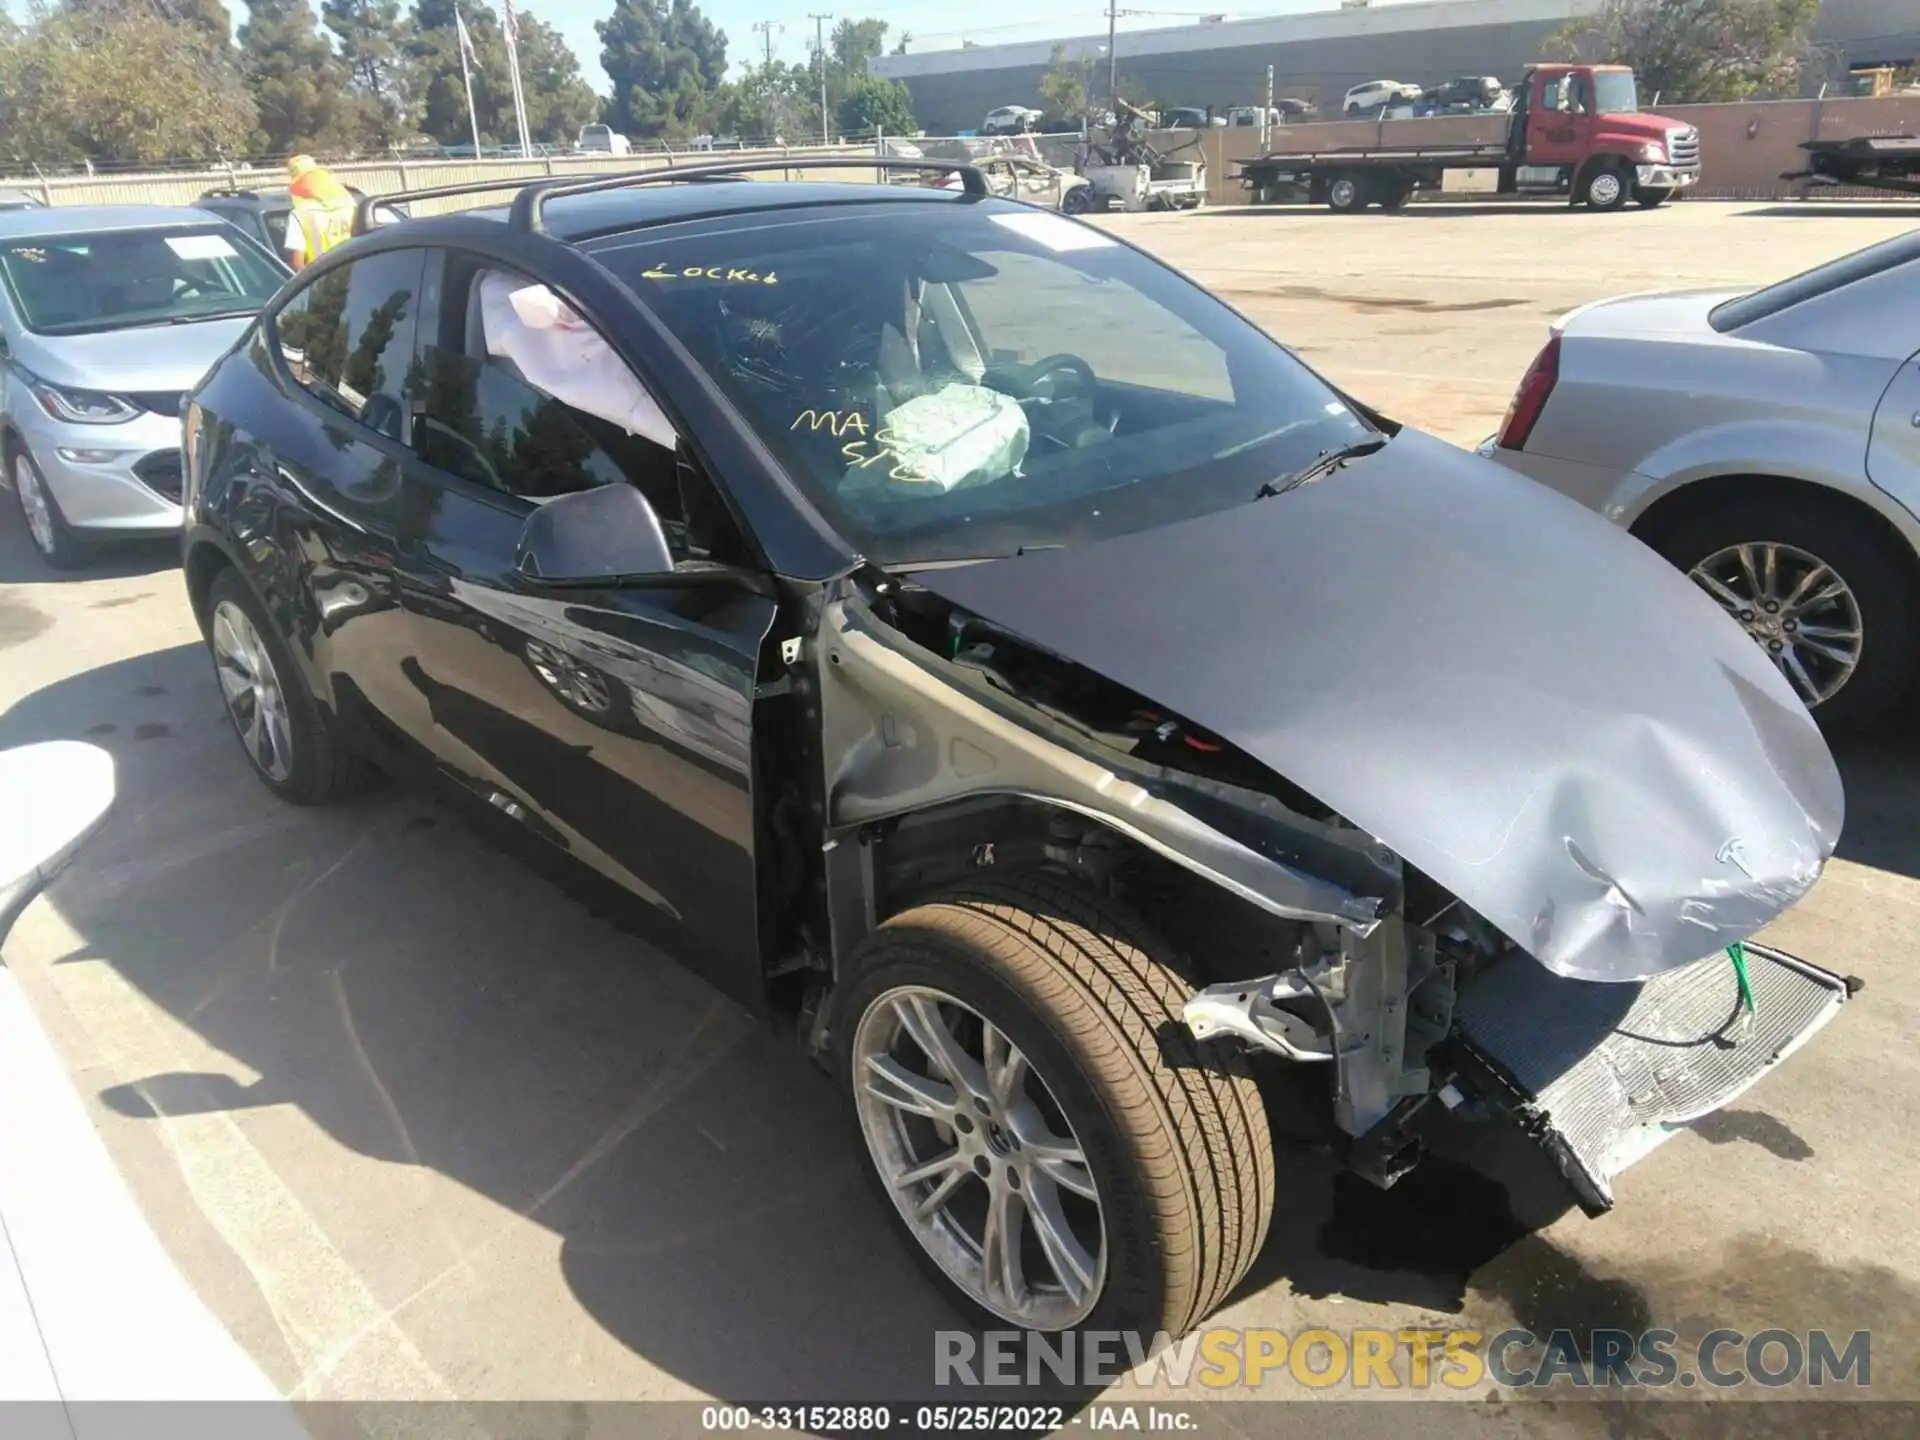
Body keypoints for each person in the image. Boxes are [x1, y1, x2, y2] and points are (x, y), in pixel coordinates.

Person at [283, 155, 356, 271]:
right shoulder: (349, 204)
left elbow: (297, 264)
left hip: (323, 280)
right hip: (353, 274)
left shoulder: (300, 214)